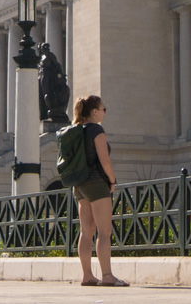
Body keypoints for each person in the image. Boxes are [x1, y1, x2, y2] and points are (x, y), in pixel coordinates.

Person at [71, 95, 127, 287]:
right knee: (104, 231)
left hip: (79, 185)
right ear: (94, 112)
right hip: (96, 183)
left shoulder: (77, 130)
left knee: (86, 231)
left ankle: (87, 275)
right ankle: (107, 275)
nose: (105, 112)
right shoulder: (96, 130)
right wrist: (112, 181)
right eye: (104, 109)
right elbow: (105, 161)